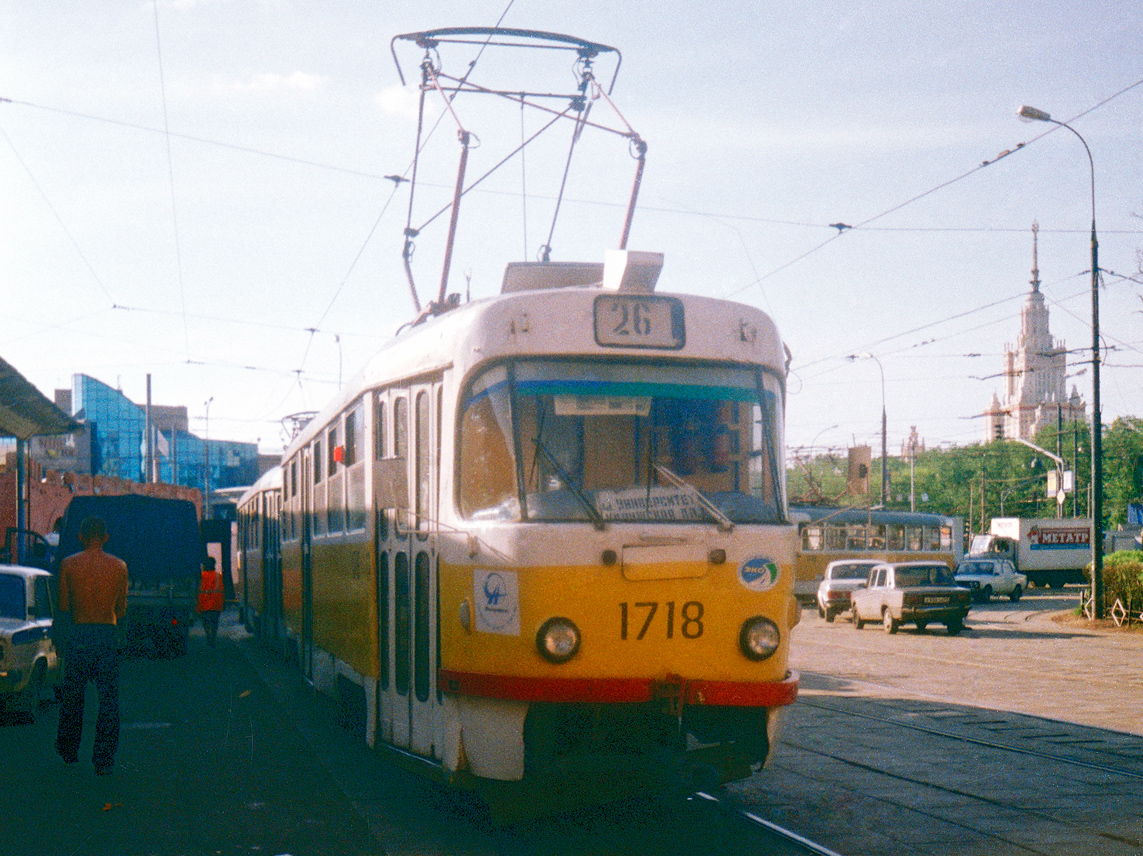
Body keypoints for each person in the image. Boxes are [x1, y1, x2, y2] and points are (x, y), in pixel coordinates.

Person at [55, 516, 128, 775]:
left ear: (80, 536)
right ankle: (104, 760)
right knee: (108, 701)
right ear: (106, 537)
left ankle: (68, 752)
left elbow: (64, 608)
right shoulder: (119, 566)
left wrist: (61, 641)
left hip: (79, 634)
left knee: (73, 698)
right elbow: (121, 609)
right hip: (106, 635)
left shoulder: (68, 565)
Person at [196, 556, 224, 647]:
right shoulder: (218, 576)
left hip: (203, 604)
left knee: (205, 622)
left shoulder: (200, 577)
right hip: (216, 604)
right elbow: (222, 590)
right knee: (214, 622)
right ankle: (213, 638)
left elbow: (196, 590)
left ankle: (208, 635)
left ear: (204, 565)